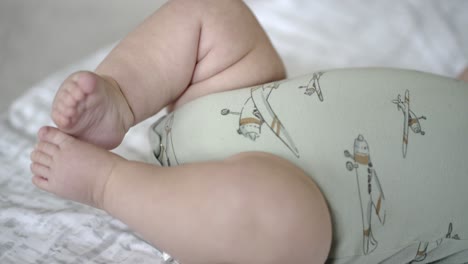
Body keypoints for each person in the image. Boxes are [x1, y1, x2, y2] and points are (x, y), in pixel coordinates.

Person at [29, 0, 468, 263]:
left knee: (285, 219)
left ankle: (108, 182)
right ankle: (121, 96)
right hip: (241, 104)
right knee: (216, 13)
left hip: (293, 211)